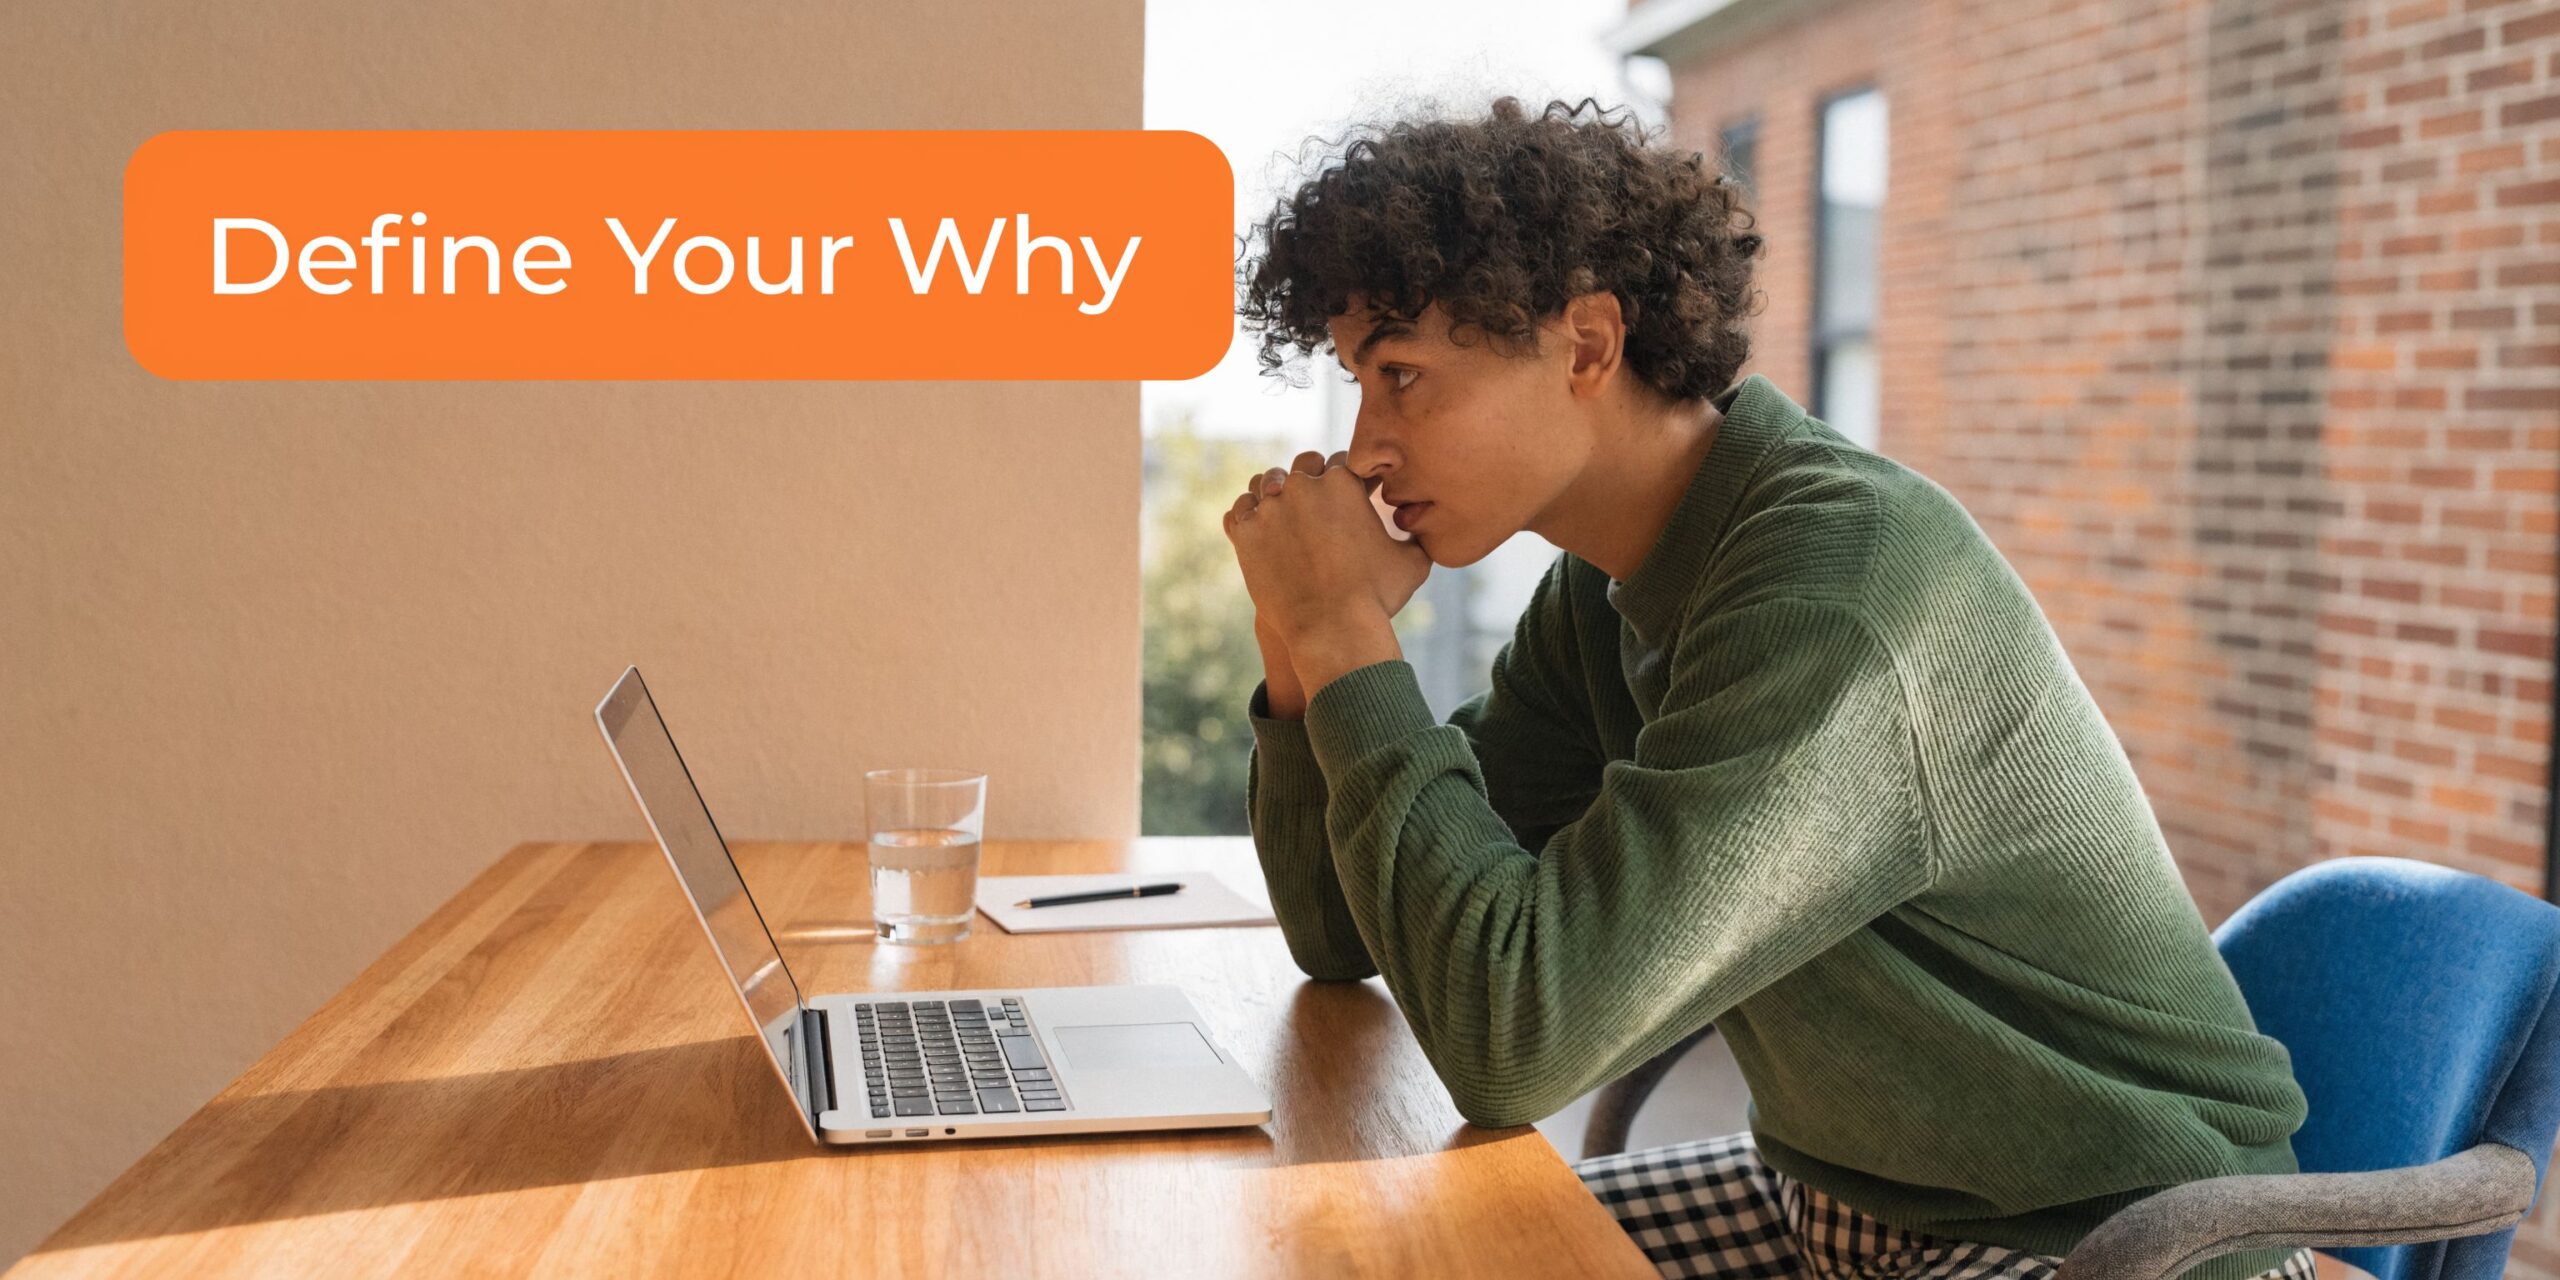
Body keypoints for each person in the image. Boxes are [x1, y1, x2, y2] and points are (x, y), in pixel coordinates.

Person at [1220, 95, 2317, 1280]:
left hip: (2104, 1238)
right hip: (1836, 1205)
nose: (1366, 442)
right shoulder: (1603, 596)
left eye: (1400, 374)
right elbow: (1341, 928)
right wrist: (1300, 644)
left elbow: (1508, 1038)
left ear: (1587, 343)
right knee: (1391, 1258)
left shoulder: (1833, 591)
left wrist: (1343, 623)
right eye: (1355, 384)